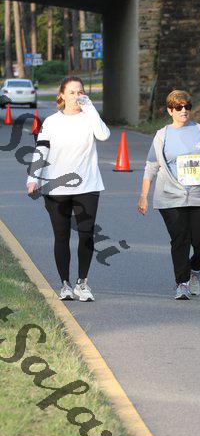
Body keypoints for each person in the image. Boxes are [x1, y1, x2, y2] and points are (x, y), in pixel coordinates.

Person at [26, 76, 110, 302]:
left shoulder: (90, 118)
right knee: (61, 236)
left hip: (88, 185)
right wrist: (33, 178)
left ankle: (82, 283)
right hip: (56, 187)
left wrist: (91, 108)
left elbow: (104, 135)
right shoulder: (51, 122)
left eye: (80, 92)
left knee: (86, 234)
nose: (76, 96)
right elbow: (41, 150)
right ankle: (65, 284)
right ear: (61, 95)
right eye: (71, 92)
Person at [138, 90, 200, 300]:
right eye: (178, 107)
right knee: (180, 239)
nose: (184, 111)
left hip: (199, 195)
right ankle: (181, 283)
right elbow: (151, 165)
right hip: (170, 196)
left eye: (187, 106)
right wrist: (144, 195)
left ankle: (195, 270)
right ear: (170, 110)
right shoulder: (162, 135)